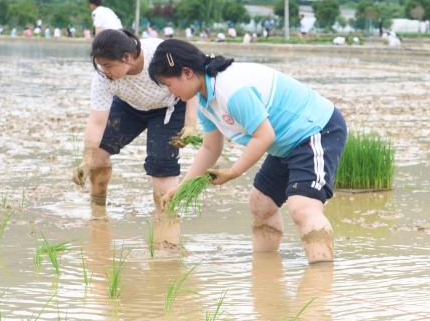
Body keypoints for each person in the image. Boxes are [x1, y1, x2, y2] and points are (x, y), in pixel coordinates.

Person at [148, 40, 348, 263]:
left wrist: (233, 172)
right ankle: (265, 273)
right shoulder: (204, 100)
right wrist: (183, 186)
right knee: (261, 203)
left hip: (316, 129)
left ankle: (321, 285)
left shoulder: (231, 89)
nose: (169, 92)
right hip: (286, 143)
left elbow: (264, 136)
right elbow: (210, 147)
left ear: (186, 72)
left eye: (168, 84)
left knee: (302, 206)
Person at [73, 29, 197, 224]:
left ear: (127, 57)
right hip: (129, 106)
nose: (104, 71)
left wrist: (191, 124)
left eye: (108, 65)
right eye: (100, 65)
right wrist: (86, 160)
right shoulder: (103, 77)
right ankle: (98, 213)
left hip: (168, 107)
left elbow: (192, 81)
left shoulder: (160, 54)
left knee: (161, 168)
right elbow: (96, 122)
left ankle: (167, 229)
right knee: (97, 158)